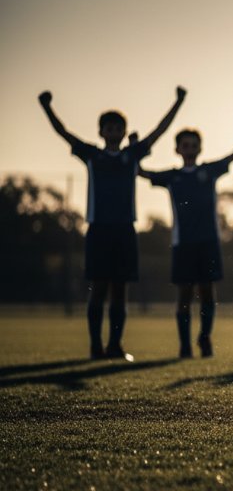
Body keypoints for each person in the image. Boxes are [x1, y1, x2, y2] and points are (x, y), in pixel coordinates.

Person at [38, 87, 186, 360]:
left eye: (118, 127)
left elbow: (160, 130)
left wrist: (178, 102)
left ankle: (115, 345)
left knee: (120, 290)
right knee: (99, 288)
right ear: (101, 131)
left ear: (123, 131)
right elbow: (63, 132)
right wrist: (47, 107)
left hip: (125, 230)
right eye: (109, 127)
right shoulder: (92, 155)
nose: (114, 130)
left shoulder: (132, 155)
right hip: (98, 229)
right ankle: (96, 346)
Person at [140, 123, 233, 358]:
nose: (189, 149)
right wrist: (137, 149)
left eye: (194, 145)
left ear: (200, 148)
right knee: (184, 295)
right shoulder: (171, 176)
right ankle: (184, 346)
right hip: (183, 244)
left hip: (208, 242)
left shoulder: (210, 170)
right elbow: (140, 172)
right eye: (185, 145)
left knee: (207, 292)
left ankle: (205, 338)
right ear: (177, 149)